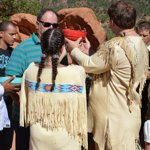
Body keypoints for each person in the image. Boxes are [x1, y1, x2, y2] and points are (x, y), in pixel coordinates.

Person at [65, 1, 148, 150]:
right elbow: (106, 66)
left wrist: (74, 49)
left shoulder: (115, 46)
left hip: (114, 119)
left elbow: (90, 65)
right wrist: (90, 52)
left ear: (113, 21)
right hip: (131, 114)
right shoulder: (141, 43)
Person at [19, 28, 87, 150]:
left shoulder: (30, 71)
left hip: (38, 136)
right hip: (65, 136)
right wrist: (78, 51)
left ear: (42, 47)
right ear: (62, 48)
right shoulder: (76, 73)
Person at [5, 8, 60, 150]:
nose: (51, 28)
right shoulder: (22, 49)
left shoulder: (59, 48)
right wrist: (27, 107)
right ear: (37, 24)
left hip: (53, 120)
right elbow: (10, 83)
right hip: (27, 120)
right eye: (47, 24)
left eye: (55, 25)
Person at [0, 21, 18, 150]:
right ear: (1, 33)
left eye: (15, 34)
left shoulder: (15, 54)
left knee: (6, 142)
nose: (15, 37)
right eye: (11, 34)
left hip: (9, 103)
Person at [136, 20, 150, 148]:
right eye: (139, 35)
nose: (141, 38)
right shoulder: (134, 50)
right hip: (136, 95)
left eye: (144, 36)